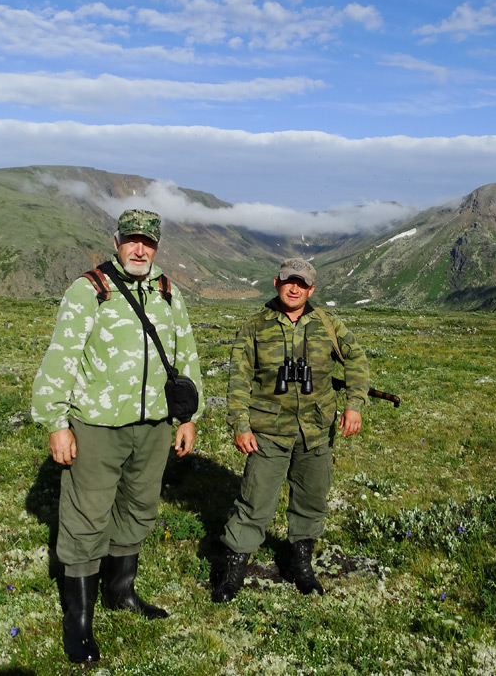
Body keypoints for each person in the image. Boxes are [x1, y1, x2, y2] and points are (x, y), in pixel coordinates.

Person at [31, 209, 202, 664]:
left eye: (147, 242)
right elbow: (61, 356)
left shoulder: (168, 292)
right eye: (132, 241)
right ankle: (78, 623)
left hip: (154, 426)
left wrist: (187, 417)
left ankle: (120, 592)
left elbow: (186, 356)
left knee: (139, 507)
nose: (140, 249)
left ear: (158, 245)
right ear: (116, 241)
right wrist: (57, 423)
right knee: (86, 516)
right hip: (98, 425)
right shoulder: (91, 289)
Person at [213, 258, 370, 603]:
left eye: (302, 283)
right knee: (254, 502)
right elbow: (239, 378)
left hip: (317, 429)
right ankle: (234, 570)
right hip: (268, 430)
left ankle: (301, 565)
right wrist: (240, 425)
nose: (294, 288)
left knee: (311, 501)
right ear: (276, 282)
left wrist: (355, 403)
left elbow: (356, 359)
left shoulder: (328, 324)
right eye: (288, 281)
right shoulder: (255, 325)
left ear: (312, 289)